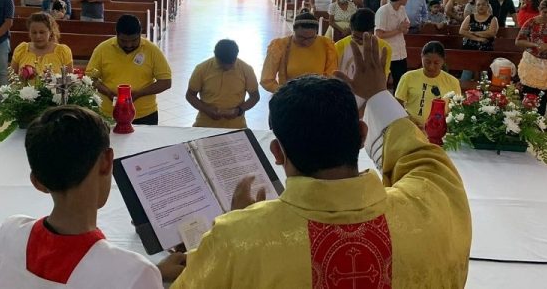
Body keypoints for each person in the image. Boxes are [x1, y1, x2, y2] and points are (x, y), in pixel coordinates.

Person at [170, 36, 471, 288]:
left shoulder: (237, 240)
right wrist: (377, 95)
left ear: (277, 152)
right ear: (362, 135)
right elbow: (425, 161)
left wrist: (247, 227)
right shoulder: (431, 205)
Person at [0, 106, 185, 288]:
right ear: (107, 161)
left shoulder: (11, 231)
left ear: (37, 182)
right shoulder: (134, 272)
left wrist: (149, 274)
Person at [88, 15, 172, 125]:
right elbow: (90, 78)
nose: (129, 45)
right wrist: (108, 92)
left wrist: (138, 94)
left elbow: (165, 82)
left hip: (144, 114)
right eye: (123, 41)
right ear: (116, 34)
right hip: (109, 114)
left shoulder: (152, 50)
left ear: (140, 34)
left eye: (134, 40)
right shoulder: (103, 49)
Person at [186, 39, 260, 129]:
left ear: (236, 56)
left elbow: (255, 97)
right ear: (215, 55)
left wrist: (239, 110)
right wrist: (207, 110)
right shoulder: (201, 69)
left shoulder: (246, 69)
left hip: (236, 127)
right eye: (222, 63)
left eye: (231, 63)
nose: (227, 67)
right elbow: (190, 95)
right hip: (205, 126)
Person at [260, 11, 337, 93]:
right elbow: (266, 80)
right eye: (301, 37)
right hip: (289, 97)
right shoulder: (280, 46)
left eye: (311, 38)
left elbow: (330, 76)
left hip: (317, 96)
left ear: (316, 33)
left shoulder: (326, 45)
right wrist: (284, 92)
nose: (306, 42)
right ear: (294, 30)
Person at [334, 9, 392, 116]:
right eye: (355, 37)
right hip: (343, 100)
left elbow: (381, 84)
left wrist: (362, 111)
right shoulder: (339, 47)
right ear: (350, 30)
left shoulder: (384, 49)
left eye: (364, 38)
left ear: (372, 31)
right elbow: (334, 79)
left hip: (371, 102)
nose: (360, 41)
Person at [395, 41, 462, 126]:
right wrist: (408, 119)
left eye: (436, 63)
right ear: (421, 57)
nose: (431, 67)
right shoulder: (408, 77)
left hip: (440, 128)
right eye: (427, 62)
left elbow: (456, 109)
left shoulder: (452, 81)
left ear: (443, 61)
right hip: (412, 126)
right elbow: (397, 103)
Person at [375, 0, 410, 88]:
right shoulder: (383, 11)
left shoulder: (402, 9)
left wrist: (404, 28)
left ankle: (398, 102)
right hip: (386, 52)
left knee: (400, 81)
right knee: (382, 82)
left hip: (400, 51)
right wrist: (398, 30)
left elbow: (406, 26)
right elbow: (379, 34)